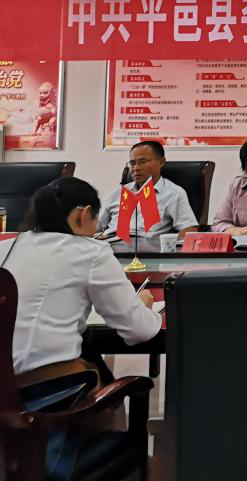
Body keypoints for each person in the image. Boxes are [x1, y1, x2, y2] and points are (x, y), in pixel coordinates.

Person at [0, 178, 161, 481]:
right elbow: (140, 331)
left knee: (93, 364)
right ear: (83, 214)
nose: (96, 228)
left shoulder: (5, 247)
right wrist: (145, 306)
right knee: (107, 381)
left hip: (6, 400)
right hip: (52, 400)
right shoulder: (90, 252)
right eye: (96, 219)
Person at [96, 140, 198, 242]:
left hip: (144, 246)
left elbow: (189, 229)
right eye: (132, 163)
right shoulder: (119, 193)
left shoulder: (173, 193)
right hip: (109, 243)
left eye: (143, 162)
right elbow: (98, 226)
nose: (136, 168)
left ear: (161, 162)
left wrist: (167, 246)